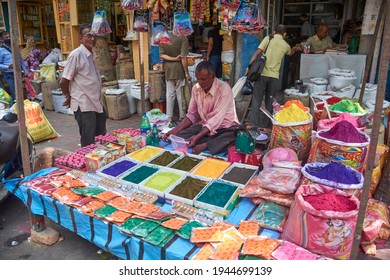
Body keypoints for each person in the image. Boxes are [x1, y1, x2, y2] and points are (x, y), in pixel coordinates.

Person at [165, 61, 240, 155]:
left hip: (225, 127)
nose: (200, 82)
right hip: (205, 126)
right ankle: (206, 141)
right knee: (180, 136)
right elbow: (192, 114)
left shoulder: (224, 89)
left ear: (212, 76)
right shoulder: (196, 89)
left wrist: (198, 136)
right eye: (198, 79)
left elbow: (215, 120)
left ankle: (205, 144)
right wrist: (175, 130)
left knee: (235, 135)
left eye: (204, 79)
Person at [60, 23, 107, 147]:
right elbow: (64, 80)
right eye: (88, 36)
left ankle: (99, 160)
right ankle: (88, 162)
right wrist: (68, 96)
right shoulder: (77, 54)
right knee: (88, 140)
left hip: (95, 101)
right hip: (83, 103)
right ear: (81, 38)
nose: (92, 38)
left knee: (101, 136)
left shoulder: (91, 54)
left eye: (94, 36)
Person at [247, 24, 301, 128]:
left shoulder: (268, 38)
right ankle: (266, 127)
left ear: (274, 32)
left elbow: (257, 52)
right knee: (269, 103)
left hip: (262, 74)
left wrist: (249, 67)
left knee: (256, 101)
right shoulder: (285, 45)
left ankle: (253, 126)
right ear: (284, 34)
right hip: (274, 77)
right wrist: (295, 48)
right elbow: (290, 53)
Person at [160, 33, 191, 123]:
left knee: (169, 94)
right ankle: (182, 116)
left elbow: (162, 55)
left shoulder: (163, 37)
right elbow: (183, 58)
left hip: (168, 70)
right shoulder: (183, 37)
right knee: (180, 94)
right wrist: (186, 73)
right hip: (179, 69)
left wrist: (173, 59)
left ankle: (169, 117)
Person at [0, 31, 28, 100]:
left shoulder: (15, 47)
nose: (8, 38)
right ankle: (16, 105)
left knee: (20, 89)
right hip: (8, 73)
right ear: (1, 39)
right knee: (13, 89)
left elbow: (21, 60)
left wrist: (25, 70)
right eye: (6, 37)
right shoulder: (1, 50)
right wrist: (7, 67)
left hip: (18, 72)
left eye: (9, 37)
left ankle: (18, 104)